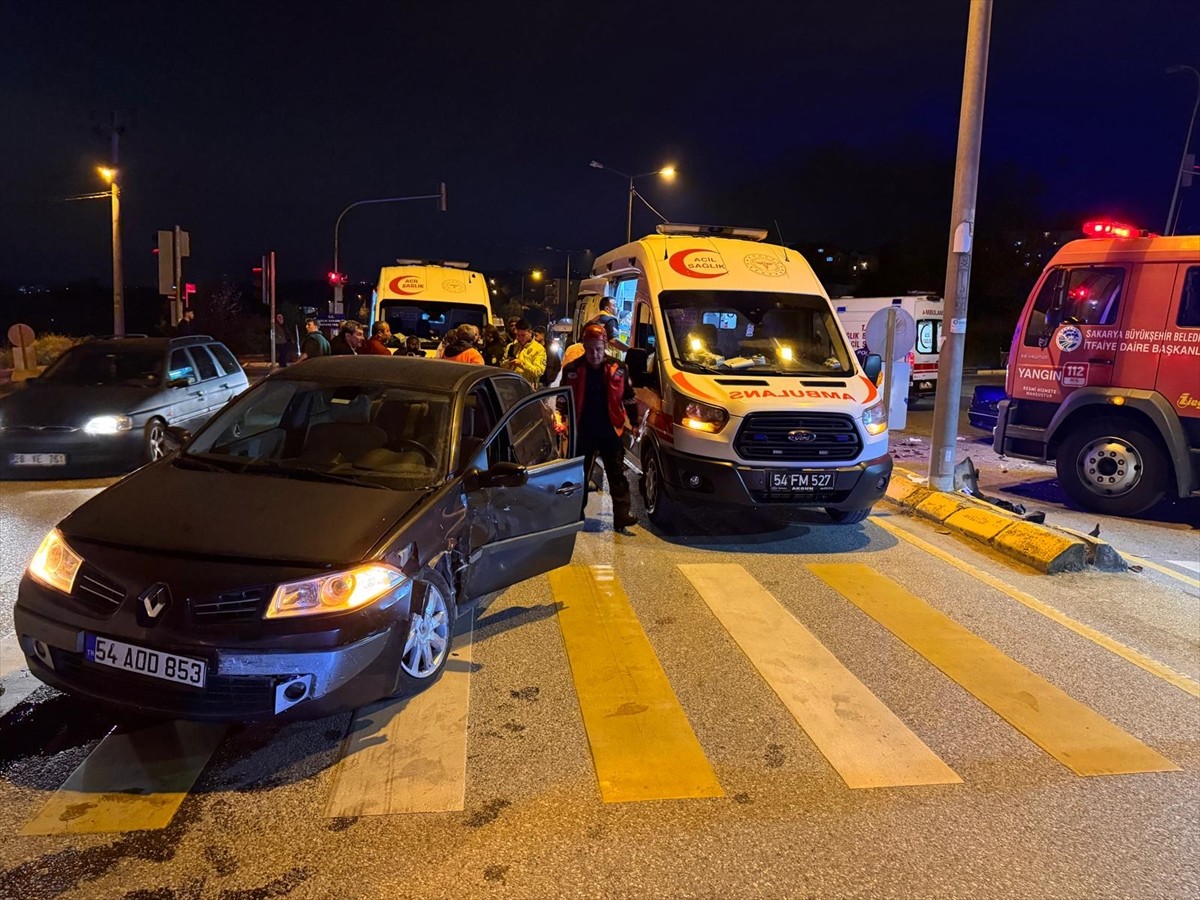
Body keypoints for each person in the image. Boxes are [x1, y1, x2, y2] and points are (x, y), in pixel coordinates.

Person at [561, 323, 639, 530]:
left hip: (610, 430)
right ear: (584, 347)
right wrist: (561, 421)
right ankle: (575, 515)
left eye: (598, 349)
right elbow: (562, 400)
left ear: (605, 346)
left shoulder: (618, 369)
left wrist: (635, 423)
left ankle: (622, 515)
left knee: (617, 474)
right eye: (589, 349)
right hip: (583, 431)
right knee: (579, 476)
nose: (594, 354)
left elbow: (629, 398)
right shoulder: (572, 370)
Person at [502, 319, 546, 385]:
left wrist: (521, 364)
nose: (520, 338)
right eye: (518, 335)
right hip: (509, 385)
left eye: (523, 335)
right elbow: (502, 366)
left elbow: (538, 371)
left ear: (530, 333)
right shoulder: (511, 346)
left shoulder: (539, 349)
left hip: (527, 387)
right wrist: (508, 363)